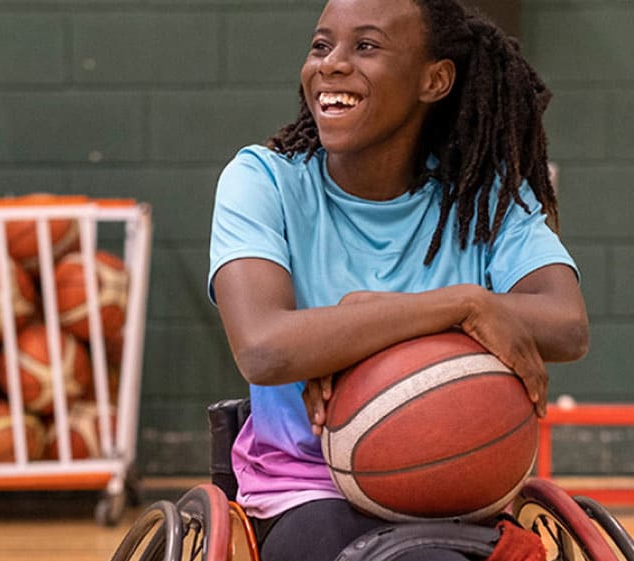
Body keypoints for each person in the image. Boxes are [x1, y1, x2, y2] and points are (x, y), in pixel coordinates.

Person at [207, 0, 587, 559]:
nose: (331, 65)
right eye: (321, 46)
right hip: (310, 492)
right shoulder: (263, 182)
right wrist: (460, 305)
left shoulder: (484, 199)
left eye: (365, 46)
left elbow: (567, 325)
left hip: (460, 492)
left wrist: (359, 326)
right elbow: (264, 347)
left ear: (434, 80)